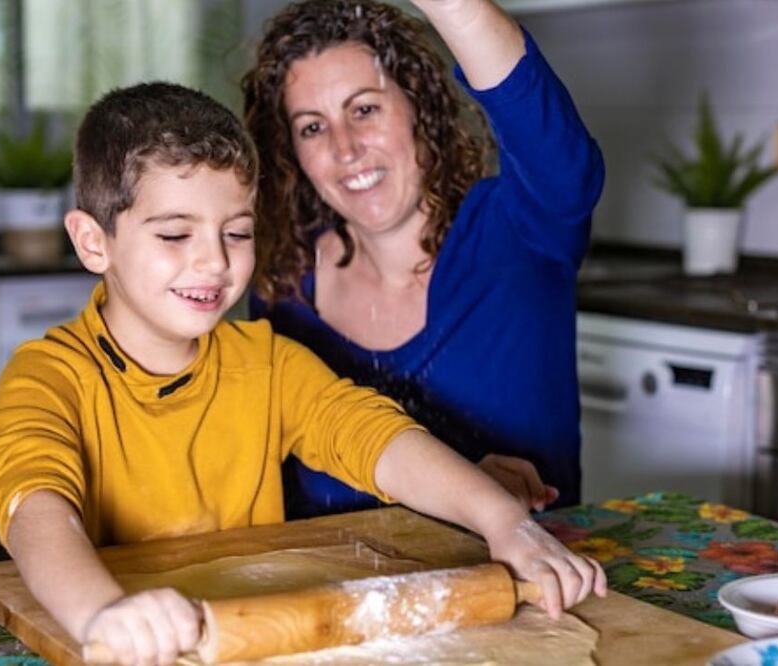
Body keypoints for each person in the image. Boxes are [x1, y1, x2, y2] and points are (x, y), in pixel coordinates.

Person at [0, 81, 605, 666]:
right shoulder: (49, 378)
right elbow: (35, 505)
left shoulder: (266, 363)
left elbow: (372, 437)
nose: (213, 262)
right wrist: (103, 613)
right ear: (92, 242)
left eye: (237, 232)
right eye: (174, 235)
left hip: (256, 643)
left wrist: (502, 521)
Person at [243, 0, 603, 519]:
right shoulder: (285, 281)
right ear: (292, 152)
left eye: (364, 109)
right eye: (312, 128)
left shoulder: (518, 234)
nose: (345, 148)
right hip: (333, 591)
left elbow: (565, 161)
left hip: (522, 592)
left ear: (418, 106)